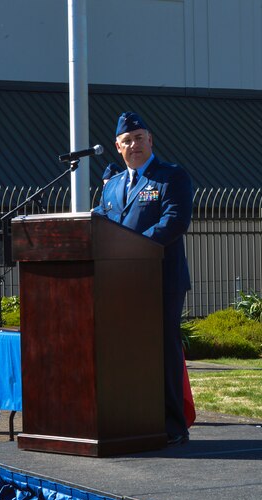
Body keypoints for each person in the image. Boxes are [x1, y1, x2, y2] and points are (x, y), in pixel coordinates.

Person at [93, 112, 194, 445]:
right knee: (125, 351)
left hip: (160, 280)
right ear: (117, 147)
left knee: (161, 350)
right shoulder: (113, 186)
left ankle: (172, 424)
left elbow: (174, 221)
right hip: (120, 282)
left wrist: (131, 249)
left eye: (139, 138)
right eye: (127, 140)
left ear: (150, 140)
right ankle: (133, 418)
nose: (133, 145)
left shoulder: (171, 177)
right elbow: (102, 226)